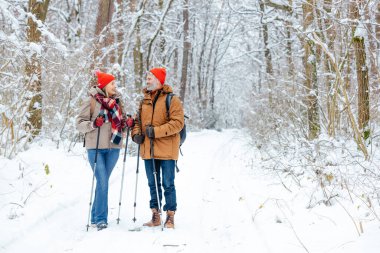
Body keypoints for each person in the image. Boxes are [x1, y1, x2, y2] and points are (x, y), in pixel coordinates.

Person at [76, 70, 133, 230]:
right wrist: (94, 124)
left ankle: (95, 216)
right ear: (105, 85)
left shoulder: (117, 102)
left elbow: (120, 125)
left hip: (113, 148)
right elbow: (79, 123)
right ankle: (101, 219)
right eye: (113, 83)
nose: (115, 86)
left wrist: (127, 124)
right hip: (95, 148)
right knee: (102, 182)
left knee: (103, 183)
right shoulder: (92, 101)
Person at [131, 67, 184, 229]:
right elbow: (137, 122)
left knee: (168, 183)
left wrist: (156, 131)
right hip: (148, 149)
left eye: (150, 77)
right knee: (152, 183)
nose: (147, 80)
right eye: (147, 77)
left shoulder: (172, 99)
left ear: (159, 80)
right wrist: (136, 134)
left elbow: (178, 123)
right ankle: (156, 215)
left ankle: (170, 215)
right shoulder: (144, 101)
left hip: (167, 149)